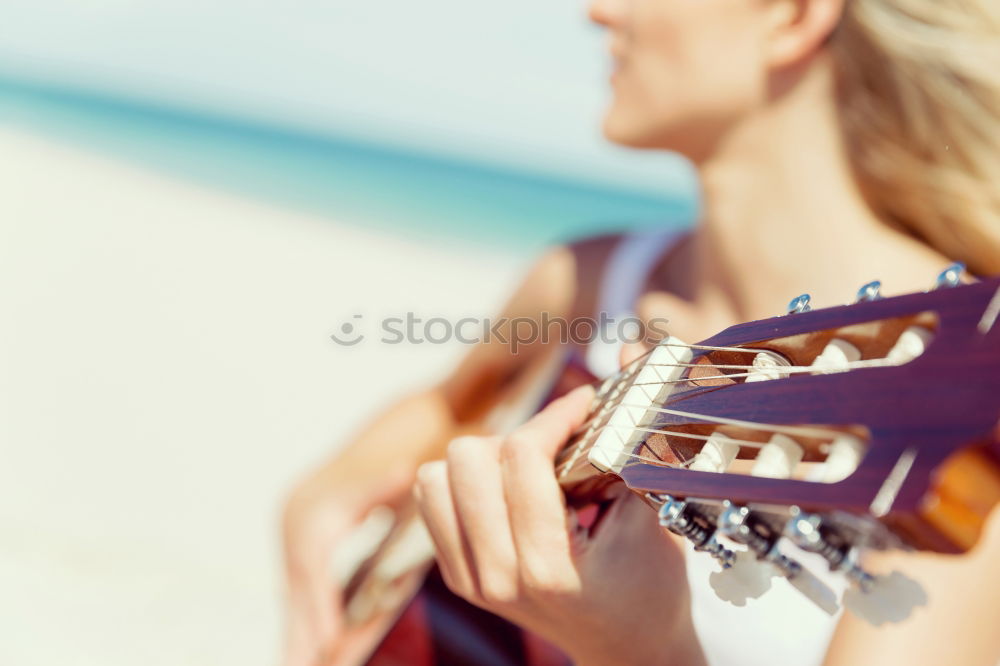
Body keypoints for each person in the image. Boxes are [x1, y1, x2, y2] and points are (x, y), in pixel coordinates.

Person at [282, 0, 1000, 663]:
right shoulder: (588, 277)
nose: (598, 12)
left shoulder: (963, 404)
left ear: (792, 15)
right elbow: (447, 405)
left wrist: (639, 650)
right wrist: (319, 497)